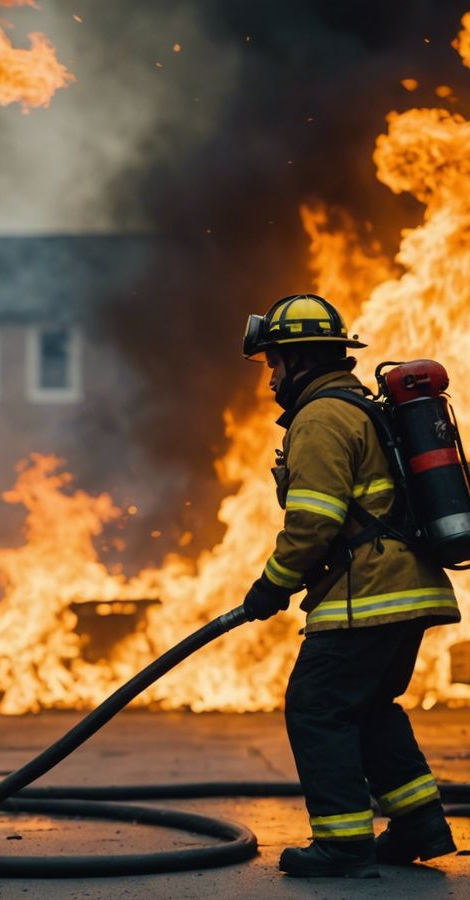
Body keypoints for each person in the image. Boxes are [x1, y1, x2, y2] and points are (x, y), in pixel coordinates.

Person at [241, 293, 460, 878]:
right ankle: (419, 823)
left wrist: (271, 585)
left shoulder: (321, 418)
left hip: (368, 596)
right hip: (406, 589)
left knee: (316, 707)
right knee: (368, 707)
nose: (272, 379)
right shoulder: (358, 407)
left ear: (303, 359)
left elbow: (313, 521)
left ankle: (342, 843)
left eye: (275, 364)